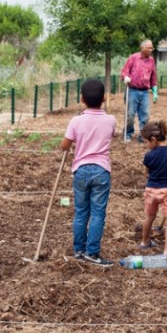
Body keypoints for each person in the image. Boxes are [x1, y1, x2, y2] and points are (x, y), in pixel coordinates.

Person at [61, 79, 117, 267]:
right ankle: (92, 253)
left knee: (81, 212)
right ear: (104, 98)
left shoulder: (76, 121)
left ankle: (78, 250)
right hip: (101, 170)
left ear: (81, 99)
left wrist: (73, 142)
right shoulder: (110, 120)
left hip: (81, 170)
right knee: (98, 213)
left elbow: (64, 145)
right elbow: (111, 135)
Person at [139, 120, 167, 259]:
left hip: (151, 190)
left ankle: (144, 241)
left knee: (149, 217)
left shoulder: (149, 155)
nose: (146, 145)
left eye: (146, 142)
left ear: (153, 140)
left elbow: (146, 172)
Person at [120, 39, 158, 143]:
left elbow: (153, 77)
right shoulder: (133, 58)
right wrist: (125, 77)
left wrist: (155, 91)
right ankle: (127, 133)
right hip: (132, 90)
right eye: (149, 48)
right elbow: (124, 72)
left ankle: (143, 136)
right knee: (130, 115)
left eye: (152, 48)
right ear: (143, 48)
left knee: (145, 116)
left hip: (144, 92)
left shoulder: (151, 61)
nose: (151, 50)